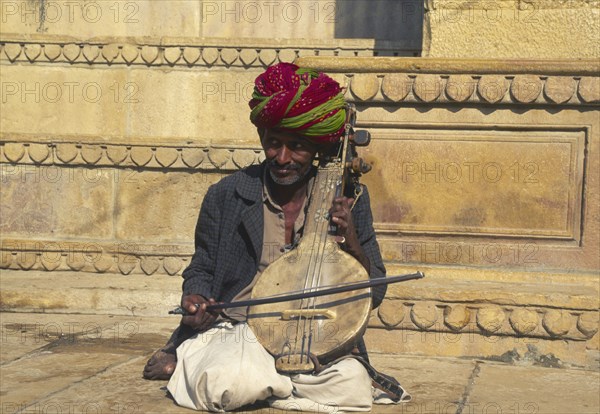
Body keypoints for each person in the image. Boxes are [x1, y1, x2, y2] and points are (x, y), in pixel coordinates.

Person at [143, 63, 408, 412]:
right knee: (228, 385)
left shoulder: (350, 198)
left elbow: (374, 292)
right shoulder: (227, 194)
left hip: (315, 337)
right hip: (242, 328)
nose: (282, 158)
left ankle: (257, 378)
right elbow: (202, 267)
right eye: (273, 144)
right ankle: (266, 377)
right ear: (262, 140)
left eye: (297, 146)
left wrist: (353, 242)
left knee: (353, 388)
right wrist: (195, 297)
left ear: (317, 147)